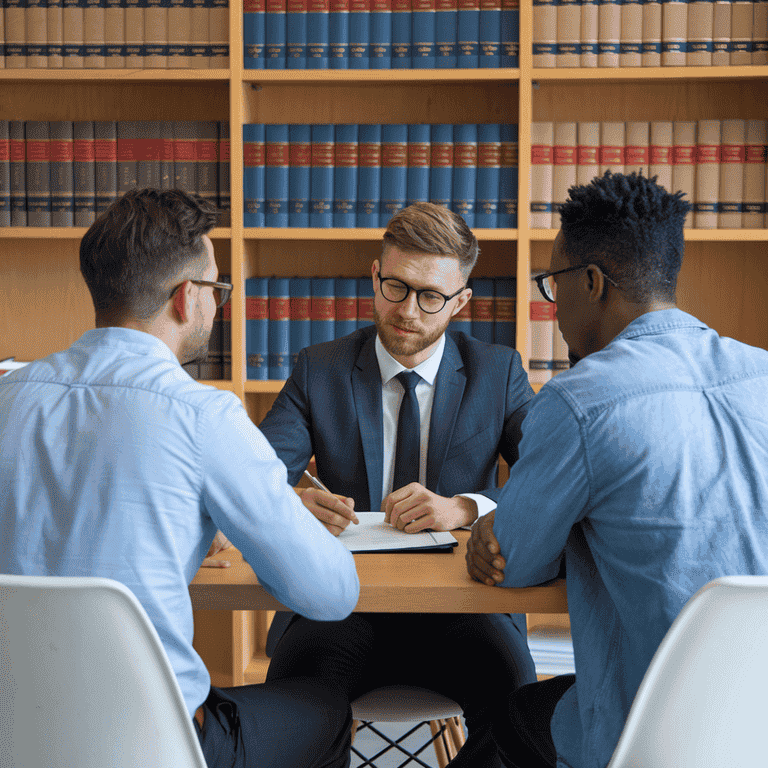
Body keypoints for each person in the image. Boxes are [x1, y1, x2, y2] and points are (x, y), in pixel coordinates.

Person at [0, 188, 360, 768]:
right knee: (325, 710)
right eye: (218, 290)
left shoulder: (7, 397)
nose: (217, 306)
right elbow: (330, 594)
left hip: (15, 737)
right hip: (150, 746)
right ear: (187, 298)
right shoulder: (202, 415)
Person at [465, 171, 768, 768]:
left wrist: (492, 527)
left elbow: (513, 564)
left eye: (553, 285)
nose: (552, 308)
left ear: (591, 283)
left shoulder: (582, 401)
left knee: (507, 713)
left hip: (648, 736)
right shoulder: (762, 374)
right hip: (757, 729)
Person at [259, 201, 538, 768]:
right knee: (291, 711)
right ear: (374, 276)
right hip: (339, 608)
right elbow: (256, 479)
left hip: (466, 609)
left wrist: (467, 507)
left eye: (431, 296)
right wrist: (293, 503)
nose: (408, 309)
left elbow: (545, 482)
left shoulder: (499, 371)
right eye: (395, 287)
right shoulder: (320, 367)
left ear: (460, 301)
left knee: (517, 711)